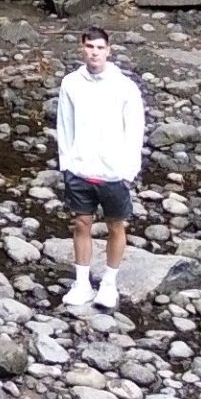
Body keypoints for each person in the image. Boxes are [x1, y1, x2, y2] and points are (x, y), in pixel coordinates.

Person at [55, 26, 145, 313]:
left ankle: (109, 282)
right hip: (80, 169)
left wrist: (129, 169)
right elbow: (64, 123)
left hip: (113, 171)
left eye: (99, 48)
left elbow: (135, 128)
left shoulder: (124, 87)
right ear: (82, 48)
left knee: (116, 226)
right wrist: (66, 162)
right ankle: (81, 283)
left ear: (109, 50)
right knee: (81, 223)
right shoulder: (71, 83)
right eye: (90, 47)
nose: (94, 52)